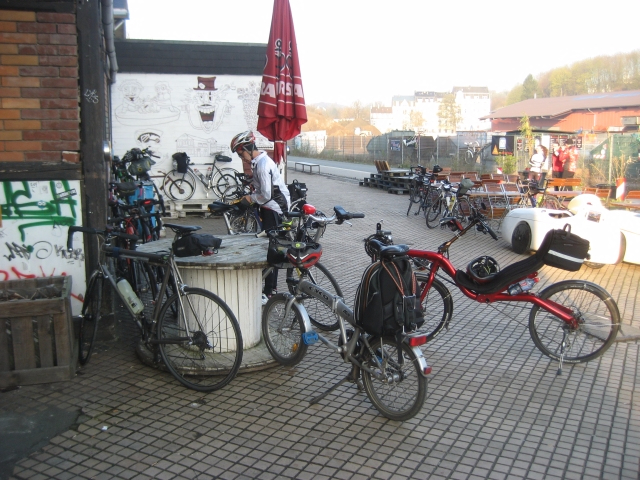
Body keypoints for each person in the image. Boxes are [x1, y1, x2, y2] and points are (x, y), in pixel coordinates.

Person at [230, 131, 291, 304]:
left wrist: (249, 199)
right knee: (268, 246)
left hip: (274, 208)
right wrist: (250, 183)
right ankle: (268, 287)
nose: (241, 158)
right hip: (268, 206)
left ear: (248, 148)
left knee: (272, 249)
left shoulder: (263, 165)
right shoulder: (258, 163)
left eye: (241, 153)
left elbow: (266, 194)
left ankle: (270, 291)